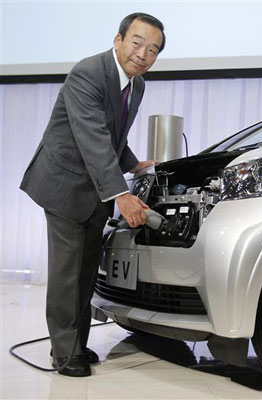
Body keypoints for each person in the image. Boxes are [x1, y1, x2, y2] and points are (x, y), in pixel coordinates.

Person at [20, 13, 165, 377]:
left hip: (96, 188)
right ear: (118, 40)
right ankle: (64, 354)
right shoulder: (87, 74)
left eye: (152, 50)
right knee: (67, 275)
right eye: (137, 43)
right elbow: (93, 138)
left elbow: (114, 136)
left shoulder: (137, 85)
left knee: (85, 274)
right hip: (65, 185)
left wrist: (134, 164)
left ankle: (75, 344)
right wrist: (122, 195)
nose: (142, 54)